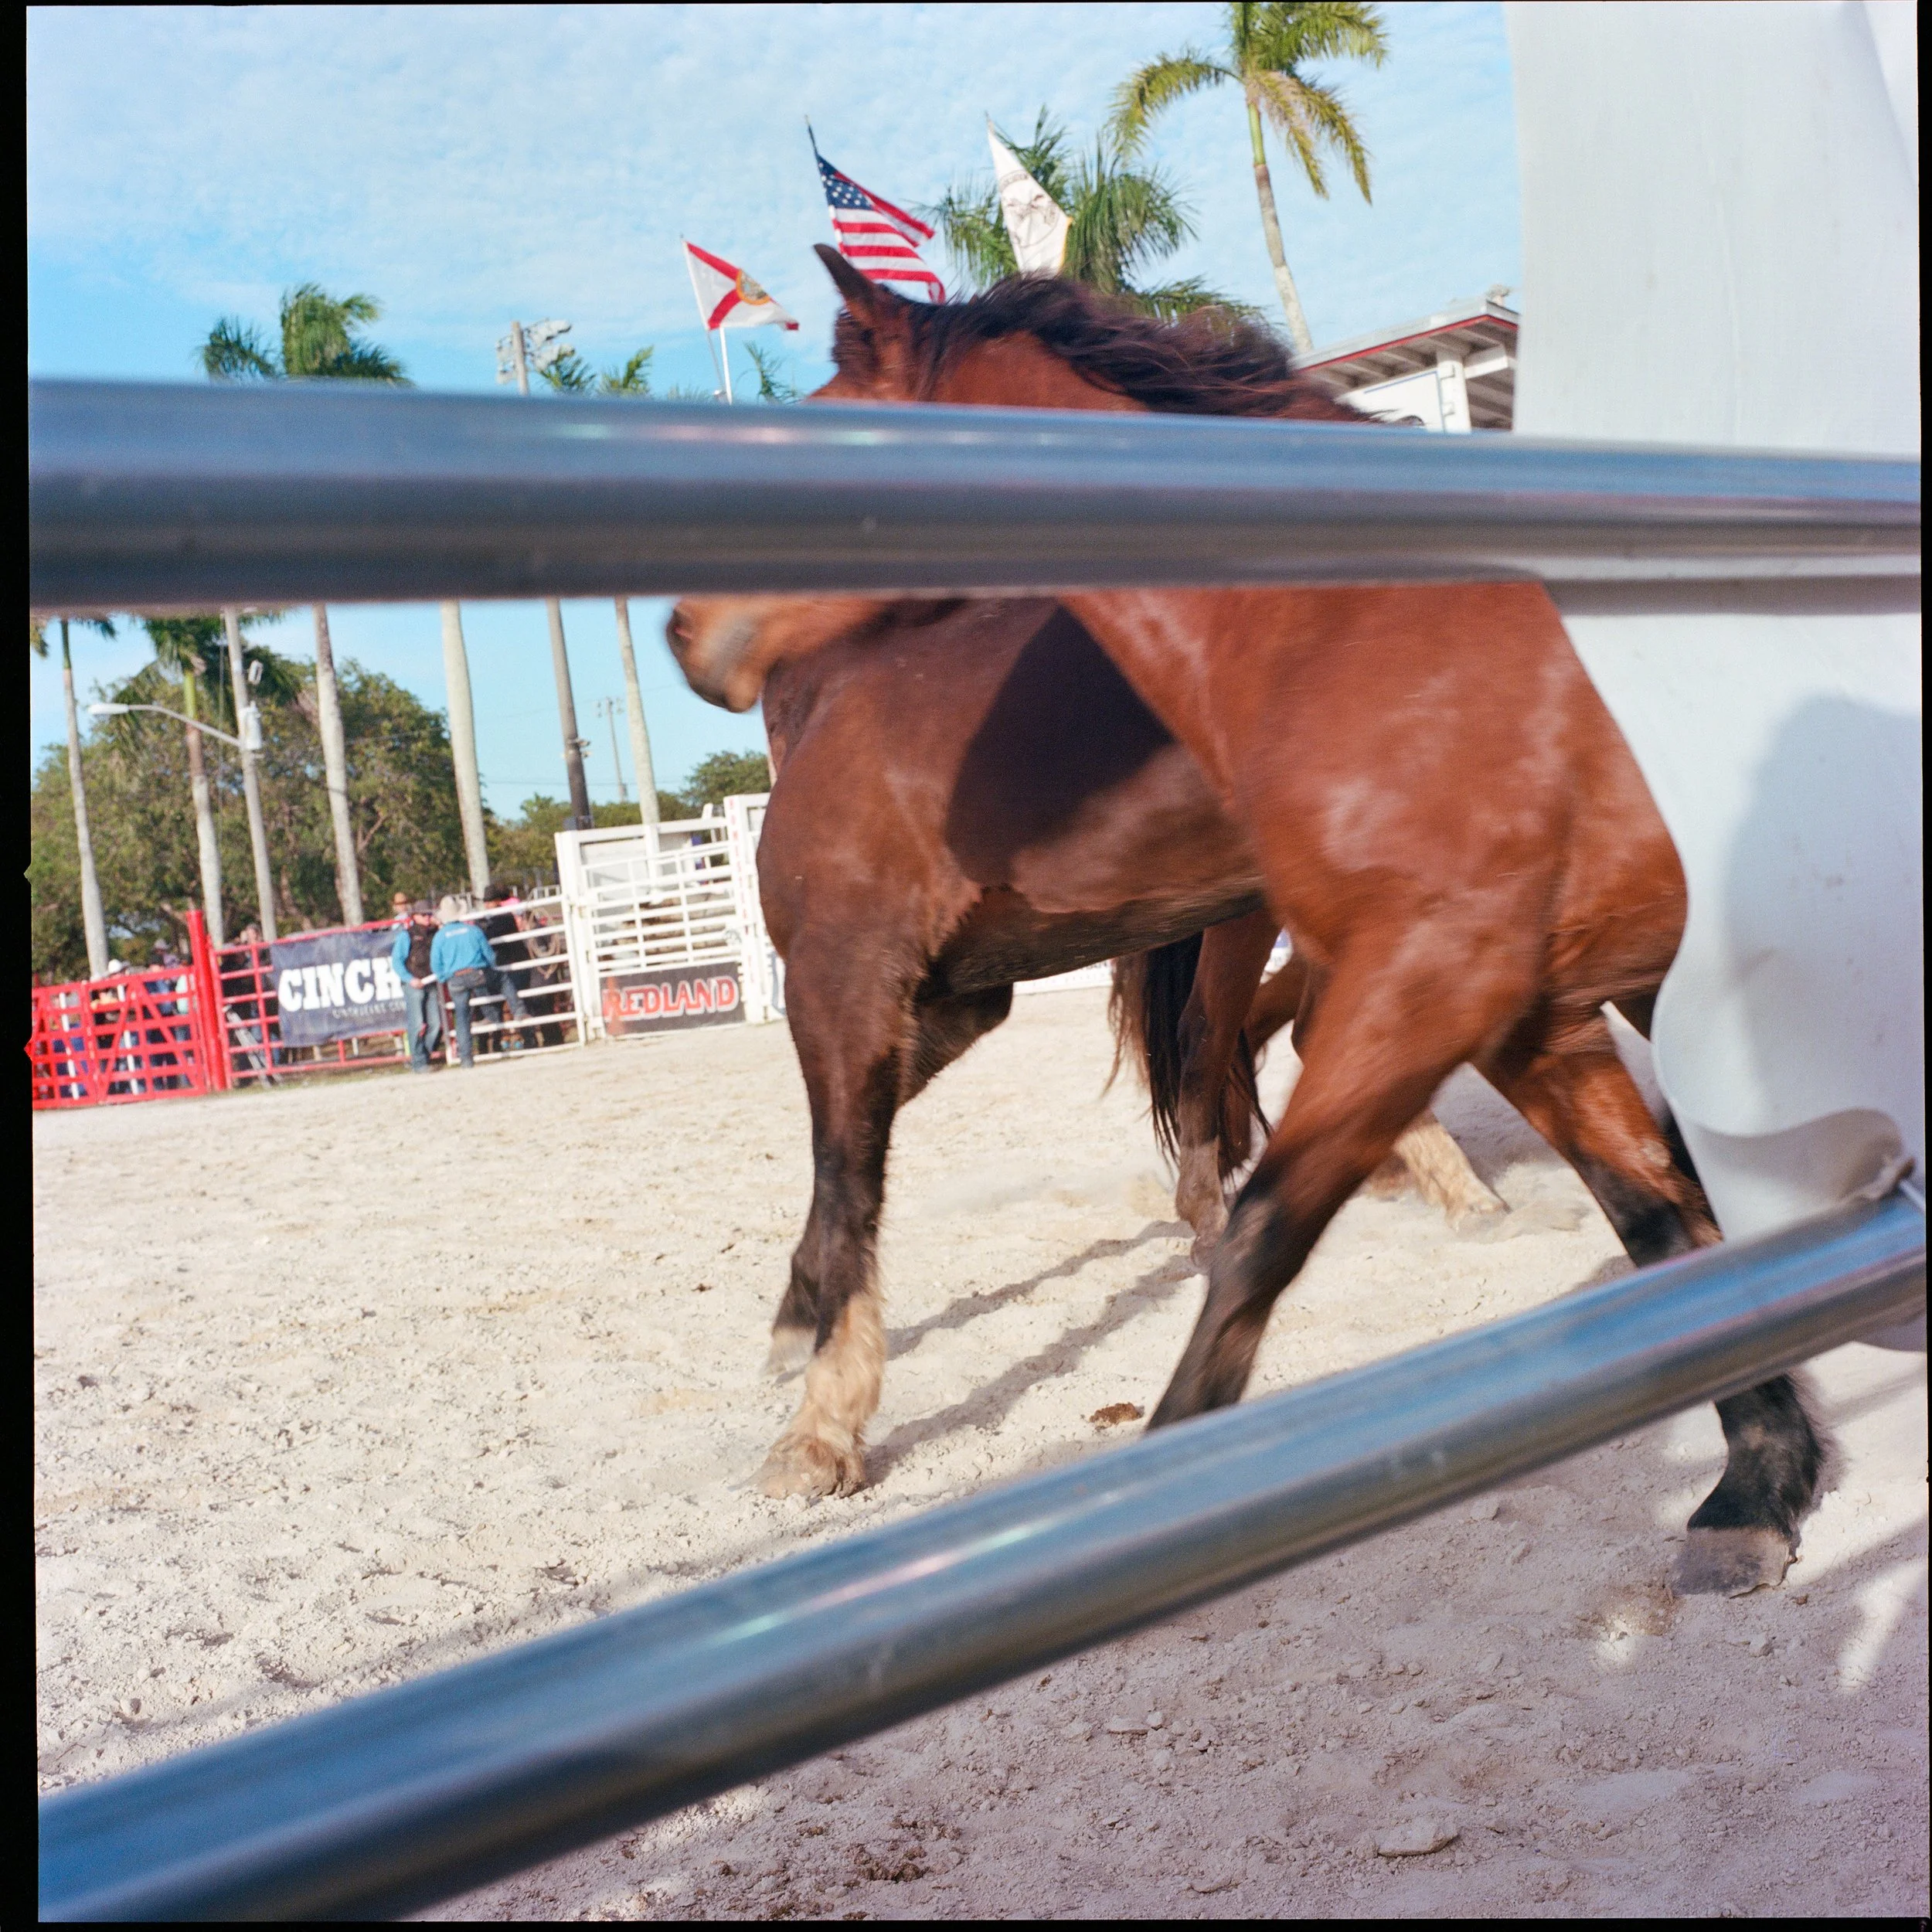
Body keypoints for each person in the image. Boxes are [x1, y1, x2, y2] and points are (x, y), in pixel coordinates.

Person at [430, 896, 527, 1066]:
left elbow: (436, 964)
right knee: (503, 980)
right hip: (478, 973)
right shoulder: (473, 931)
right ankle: (518, 1010)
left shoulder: (440, 936)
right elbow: (489, 955)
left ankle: (466, 1058)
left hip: (456, 979)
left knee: (462, 1017)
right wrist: (489, 966)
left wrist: (445, 977)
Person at [391, 901, 444, 1071]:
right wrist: (409, 979)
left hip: (431, 981)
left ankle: (421, 1057)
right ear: (414, 917)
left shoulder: (436, 932)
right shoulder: (406, 935)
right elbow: (397, 961)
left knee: (435, 1024)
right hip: (414, 983)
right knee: (417, 1023)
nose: (428, 918)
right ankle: (419, 1060)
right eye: (424, 915)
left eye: (429, 914)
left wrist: (440, 924)